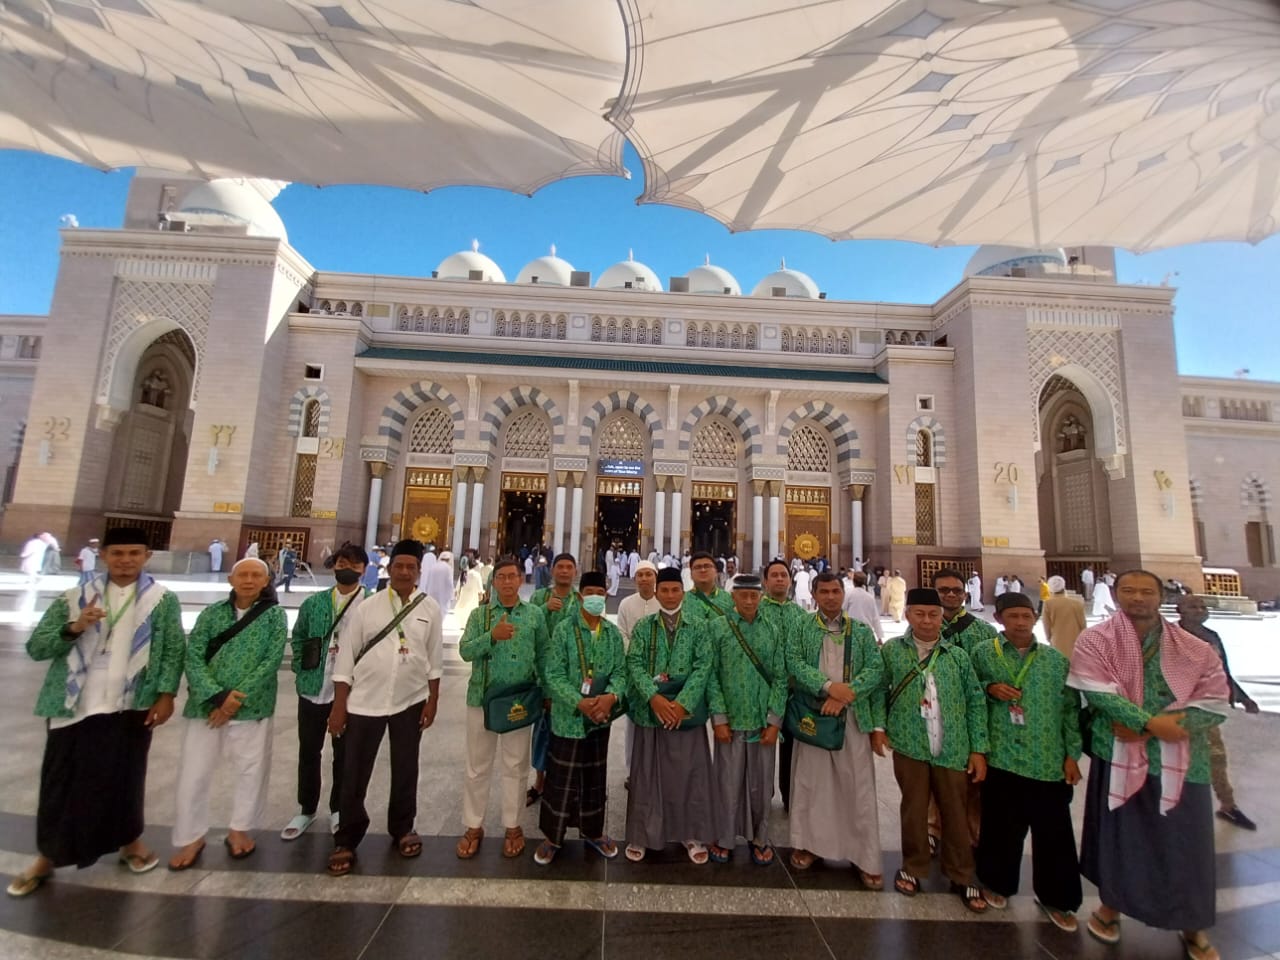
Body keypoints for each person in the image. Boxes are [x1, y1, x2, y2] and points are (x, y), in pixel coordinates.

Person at [6, 527, 185, 898]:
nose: (126, 561)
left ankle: (130, 842)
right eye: (117, 553)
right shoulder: (74, 597)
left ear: (146, 556)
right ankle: (48, 856)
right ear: (103, 556)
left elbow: (172, 648)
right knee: (60, 780)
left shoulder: (161, 600)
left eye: (134, 553)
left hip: (131, 702)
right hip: (74, 703)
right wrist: (75, 627)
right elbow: (38, 647)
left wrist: (166, 694)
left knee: (126, 776)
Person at [1069, 570, 1229, 960]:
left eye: (1146, 591)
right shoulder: (1096, 640)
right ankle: (1110, 908)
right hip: (1118, 753)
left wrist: (1158, 726)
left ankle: (1192, 925)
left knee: (1185, 844)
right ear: (1115, 595)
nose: (1137, 598)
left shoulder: (1195, 648)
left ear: (1161, 597)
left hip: (1181, 761)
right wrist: (1151, 724)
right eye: (1128, 590)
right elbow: (1098, 692)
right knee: (1120, 839)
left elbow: (1214, 700)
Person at [325, 540, 442, 875]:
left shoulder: (429, 608)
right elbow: (346, 658)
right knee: (354, 771)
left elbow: (434, 658)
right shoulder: (368, 607)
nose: (404, 572)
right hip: (365, 701)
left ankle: (403, 826)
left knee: (406, 766)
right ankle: (347, 837)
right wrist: (339, 705)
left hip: (409, 698)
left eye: (411, 567)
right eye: (399, 566)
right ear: (389, 569)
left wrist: (433, 700)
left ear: (419, 571)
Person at [873, 587, 989, 913]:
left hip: (952, 746)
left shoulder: (957, 656)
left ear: (941, 618)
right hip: (910, 743)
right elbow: (880, 691)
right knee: (914, 808)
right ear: (908, 615)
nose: (927, 621)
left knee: (955, 811)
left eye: (933, 615)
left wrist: (978, 749)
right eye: (920, 614)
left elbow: (975, 702)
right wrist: (879, 728)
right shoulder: (893, 651)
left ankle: (962, 873)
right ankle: (914, 867)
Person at [971, 593, 1083, 930]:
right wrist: (989, 687)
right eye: (1013, 616)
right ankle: (997, 883)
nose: (1020, 622)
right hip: (1003, 755)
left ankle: (1058, 898)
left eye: (1026, 616)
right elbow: (970, 695)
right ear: (999, 618)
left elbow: (1070, 711)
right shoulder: (983, 654)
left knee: (1054, 833)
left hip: (1046, 759)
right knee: (1000, 827)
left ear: (1035, 617)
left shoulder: (1055, 661)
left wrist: (1072, 755)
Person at [169, 558, 288, 870]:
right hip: (206, 706)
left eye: (256, 575)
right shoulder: (211, 614)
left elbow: (271, 660)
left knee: (251, 770)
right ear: (230, 580)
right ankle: (191, 835)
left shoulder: (274, 616)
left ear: (266, 581)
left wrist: (235, 700)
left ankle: (240, 829)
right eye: (243, 574)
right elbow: (194, 656)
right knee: (194, 773)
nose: (249, 580)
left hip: (252, 706)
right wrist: (217, 696)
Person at [786, 572, 885, 887]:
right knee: (812, 785)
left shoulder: (861, 631)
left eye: (835, 591)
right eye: (824, 592)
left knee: (857, 787)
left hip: (851, 718)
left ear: (843, 594)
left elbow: (876, 669)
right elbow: (794, 663)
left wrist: (846, 694)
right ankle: (809, 846)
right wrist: (828, 687)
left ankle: (864, 856)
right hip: (814, 717)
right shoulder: (802, 626)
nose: (830, 597)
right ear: (814, 595)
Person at [457, 556, 548, 860]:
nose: (507, 582)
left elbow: (544, 655)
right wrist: (491, 637)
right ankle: (473, 825)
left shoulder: (534, 615)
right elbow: (465, 650)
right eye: (502, 577)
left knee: (516, 765)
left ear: (521, 579)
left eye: (513, 576)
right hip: (482, 700)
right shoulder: (480, 616)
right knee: (477, 766)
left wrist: (545, 692)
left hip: (518, 701)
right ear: (493, 581)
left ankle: (513, 825)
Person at [624, 567, 716, 863]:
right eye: (664, 590)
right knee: (647, 776)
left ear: (682, 592)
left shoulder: (699, 626)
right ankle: (642, 834)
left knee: (689, 775)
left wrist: (682, 704)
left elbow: (704, 665)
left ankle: (692, 833)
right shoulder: (644, 626)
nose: (670, 595)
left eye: (675, 590)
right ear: (657, 592)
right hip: (652, 710)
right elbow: (634, 663)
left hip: (685, 713)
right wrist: (655, 699)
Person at [534, 571, 625, 865]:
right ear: (580, 595)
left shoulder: (611, 634)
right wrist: (579, 701)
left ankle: (593, 832)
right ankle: (552, 837)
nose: (595, 597)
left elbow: (620, 673)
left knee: (594, 778)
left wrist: (610, 697)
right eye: (590, 592)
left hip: (599, 717)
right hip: (568, 717)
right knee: (561, 779)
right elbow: (553, 673)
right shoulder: (564, 630)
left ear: (606, 595)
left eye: (600, 592)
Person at [281, 543, 370, 843]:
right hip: (313, 688)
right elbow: (299, 636)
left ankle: (338, 809)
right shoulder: (315, 603)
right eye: (342, 563)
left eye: (354, 564)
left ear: (363, 570)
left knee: (344, 755)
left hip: (351, 692)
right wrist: (303, 669)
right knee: (309, 750)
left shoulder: (371, 604)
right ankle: (306, 808)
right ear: (334, 566)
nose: (347, 569)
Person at [706, 574, 788, 865]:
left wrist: (774, 721)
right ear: (733, 597)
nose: (750, 601)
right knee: (727, 783)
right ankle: (724, 837)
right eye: (744, 595)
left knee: (761, 785)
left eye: (754, 595)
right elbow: (711, 675)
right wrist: (718, 718)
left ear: (761, 597)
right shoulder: (718, 628)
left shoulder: (772, 630)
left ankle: (760, 838)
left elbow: (780, 678)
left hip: (762, 722)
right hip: (730, 719)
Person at [1176, 594, 1259, 830]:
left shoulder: (1211, 636)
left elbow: (1222, 671)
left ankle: (1227, 804)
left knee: (1215, 755)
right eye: (1193, 606)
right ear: (1180, 610)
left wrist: (1242, 697)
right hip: (1177, 708)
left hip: (1206, 708)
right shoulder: (1168, 636)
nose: (1199, 610)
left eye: (1202, 606)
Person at [527, 553, 582, 806]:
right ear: (552, 570)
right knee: (542, 731)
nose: (564, 571)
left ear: (575, 571)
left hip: (571, 678)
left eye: (569, 567)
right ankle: (539, 781)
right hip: (543, 674)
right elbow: (526, 626)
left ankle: (565, 782)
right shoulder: (539, 597)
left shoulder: (579, 600)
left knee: (567, 732)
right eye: (560, 567)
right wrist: (544, 609)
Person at [760, 560, 806, 809]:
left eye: (784, 575)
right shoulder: (756, 611)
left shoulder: (801, 616)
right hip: (762, 691)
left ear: (790, 580)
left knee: (792, 746)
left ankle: (791, 797)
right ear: (765, 581)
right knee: (762, 745)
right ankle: (761, 796)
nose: (779, 579)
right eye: (774, 575)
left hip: (793, 692)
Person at [616, 560, 660, 779]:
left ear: (655, 577)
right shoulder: (626, 604)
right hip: (633, 672)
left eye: (648, 574)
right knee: (633, 723)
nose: (644, 579)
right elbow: (622, 634)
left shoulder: (663, 602)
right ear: (635, 579)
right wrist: (636, 658)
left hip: (660, 672)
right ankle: (632, 773)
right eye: (640, 575)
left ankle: (656, 771)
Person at [682, 550, 733, 625]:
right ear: (691, 574)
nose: (703, 570)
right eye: (697, 567)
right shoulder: (682, 600)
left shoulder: (728, 599)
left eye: (707, 566)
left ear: (716, 572)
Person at [1042, 575, 1086, 659]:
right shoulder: (1077, 603)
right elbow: (1083, 624)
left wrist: (1049, 638)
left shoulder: (1048, 604)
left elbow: (1046, 625)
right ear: (1064, 587)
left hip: (1057, 641)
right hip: (1076, 642)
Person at [842, 570, 883, 643]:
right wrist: (879, 637)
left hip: (852, 629)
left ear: (853, 582)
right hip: (866, 630)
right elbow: (875, 618)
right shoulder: (870, 597)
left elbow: (842, 611)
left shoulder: (849, 594)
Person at [425, 550, 455, 618]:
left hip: (431, 593)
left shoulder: (433, 566)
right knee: (440, 615)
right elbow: (450, 584)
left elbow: (428, 581)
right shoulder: (448, 568)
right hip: (442, 596)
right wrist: (451, 596)